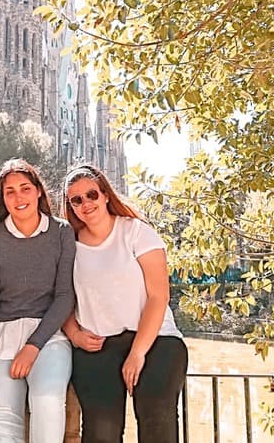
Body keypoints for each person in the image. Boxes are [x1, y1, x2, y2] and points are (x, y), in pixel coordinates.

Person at [61, 164, 187, 443]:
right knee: (100, 430)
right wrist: (75, 335)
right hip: (98, 345)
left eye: (91, 195)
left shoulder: (137, 233)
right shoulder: (67, 245)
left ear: (105, 194)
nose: (86, 204)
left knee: (156, 414)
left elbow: (159, 296)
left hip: (156, 340)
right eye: (76, 200)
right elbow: (59, 298)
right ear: (70, 206)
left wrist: (137, 352)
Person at [0, 158, 76, 443]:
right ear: (2, 198)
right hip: (1, 342)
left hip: (48, 338)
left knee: (47, 401)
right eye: (10, 191)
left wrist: (33, 346)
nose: (19, 197)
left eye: (25, 188)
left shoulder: (62, 232)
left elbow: (65, 296)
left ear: (39, 191)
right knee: (1, 428)